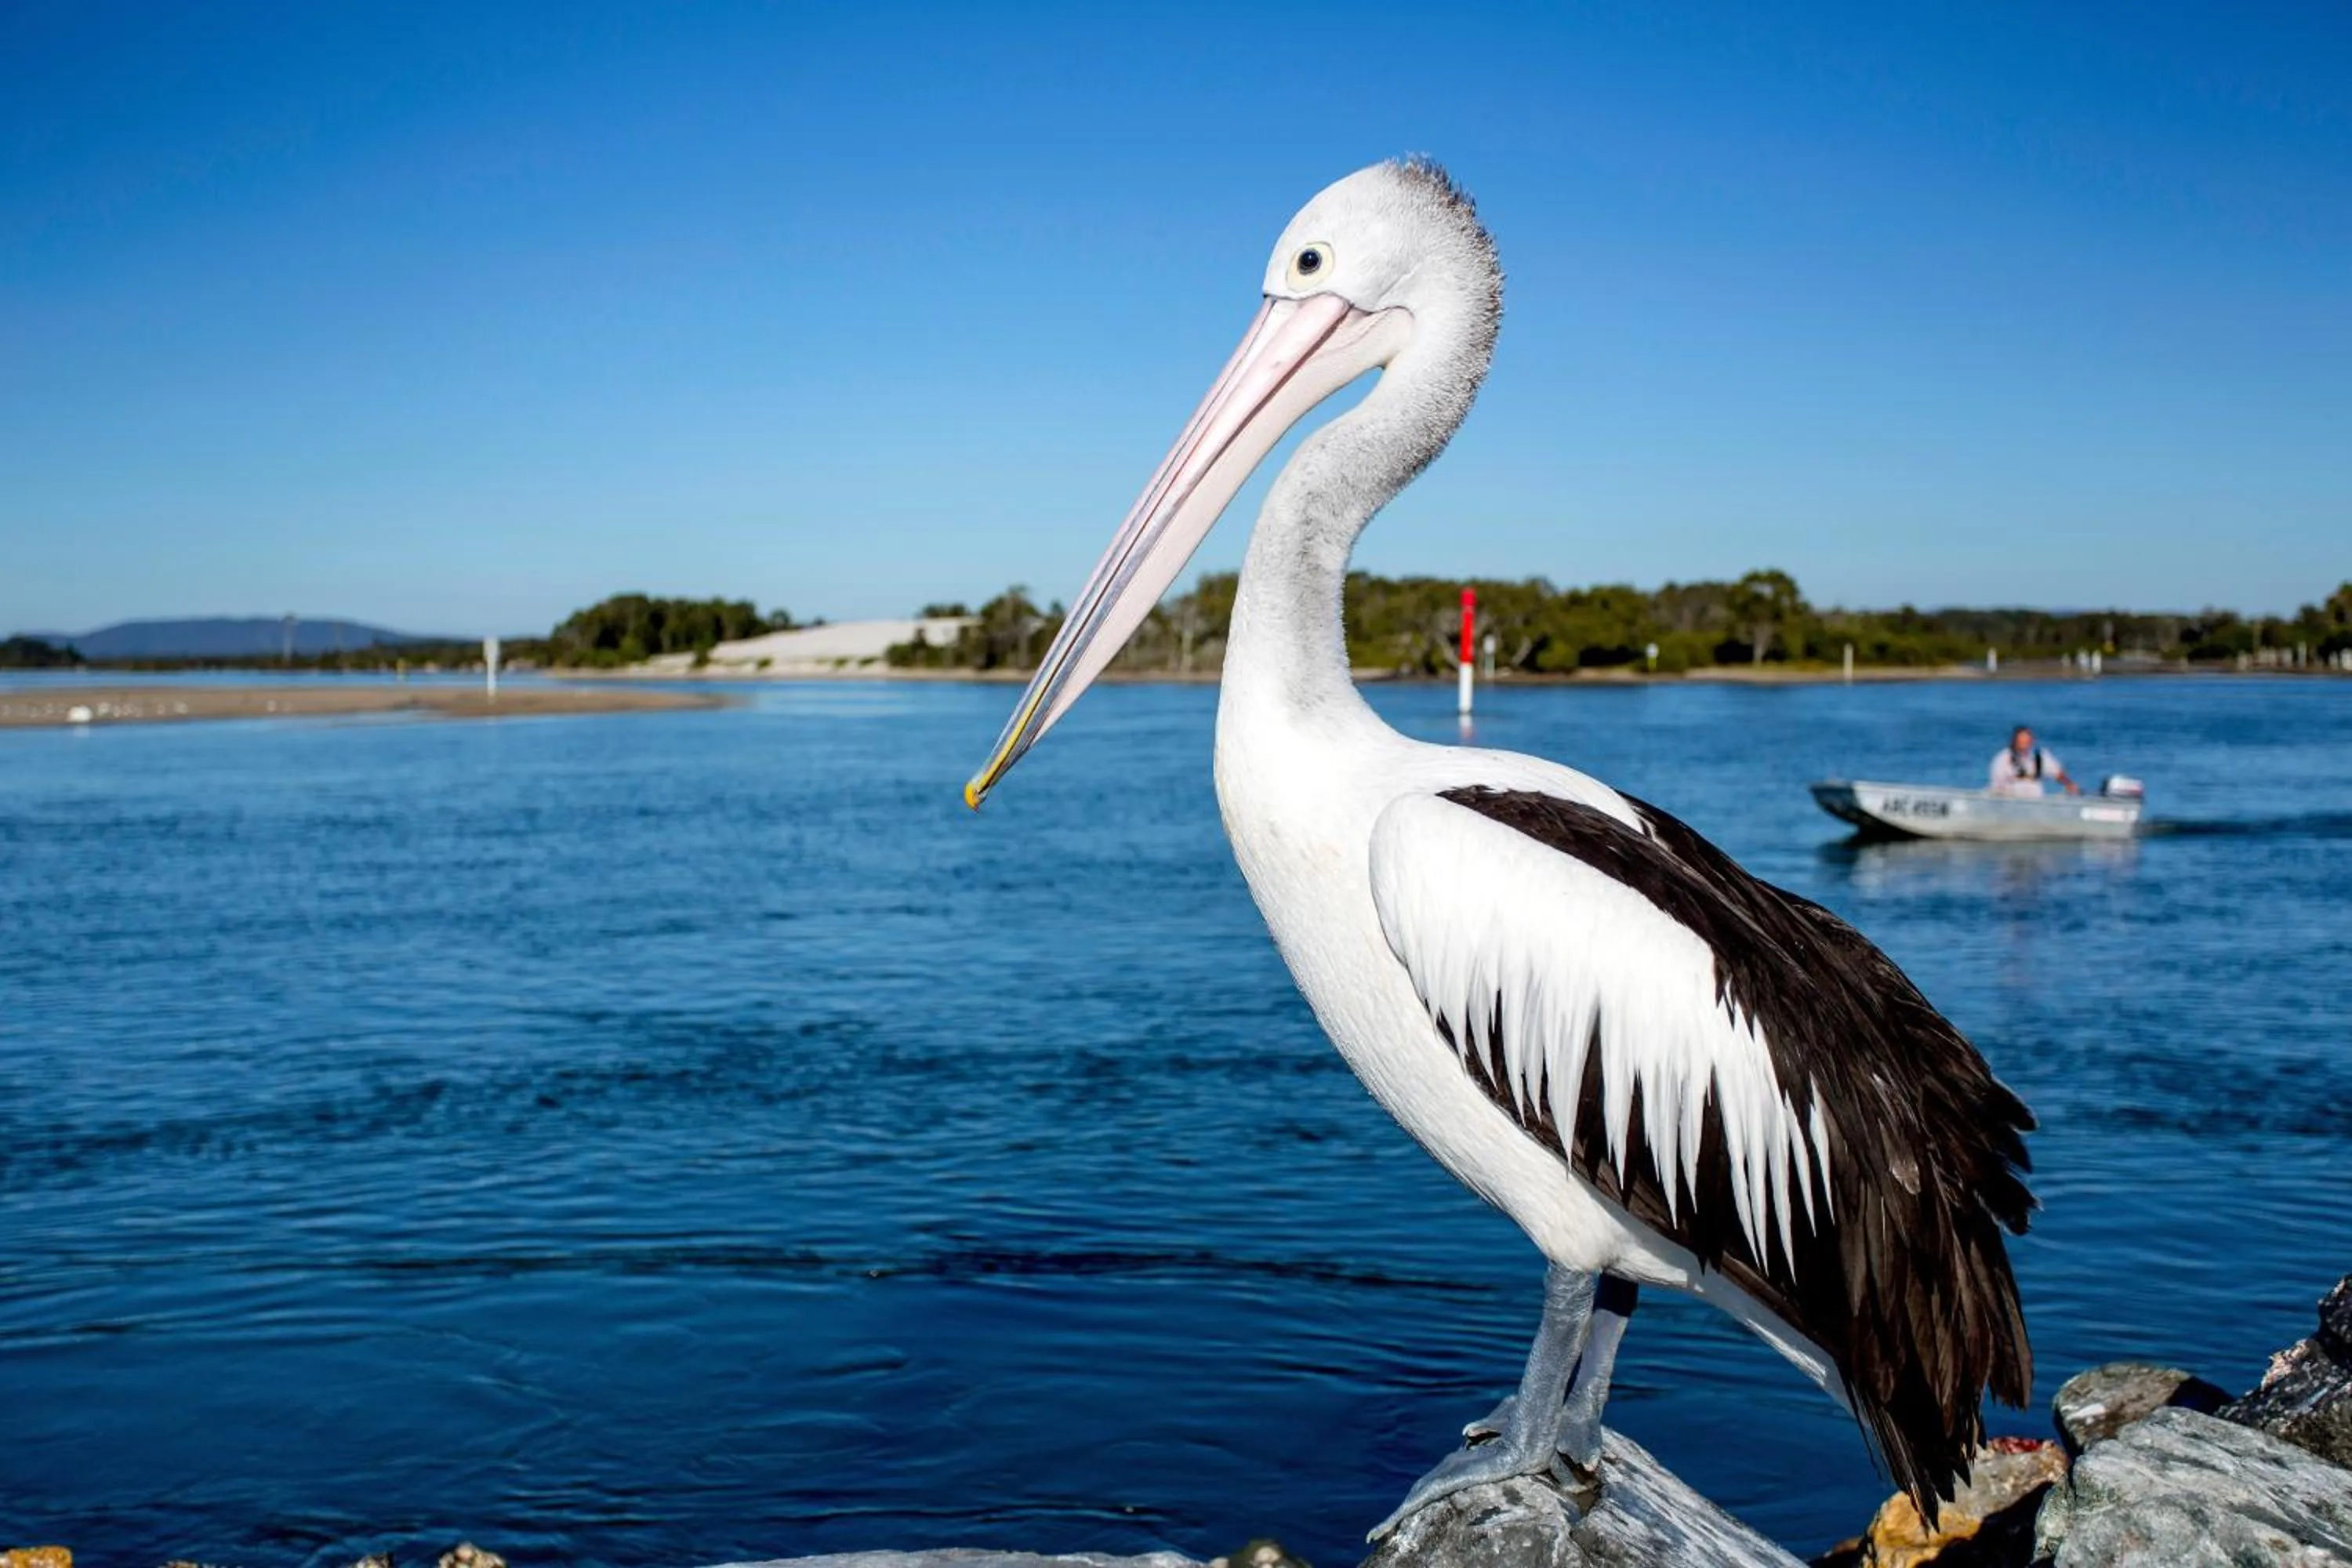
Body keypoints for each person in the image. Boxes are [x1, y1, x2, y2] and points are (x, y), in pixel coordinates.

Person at [1989, 725, 2078, 797]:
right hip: (2012, 801)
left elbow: (2058, 774)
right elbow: (1997, 784)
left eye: (2027, 742)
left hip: (2036, 802)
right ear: (2014, 742)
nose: (2025, 746)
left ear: (2032, 741)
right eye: (2021, 743)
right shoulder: (2003, 758)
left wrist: (2069, 784)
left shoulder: (2041, 757)